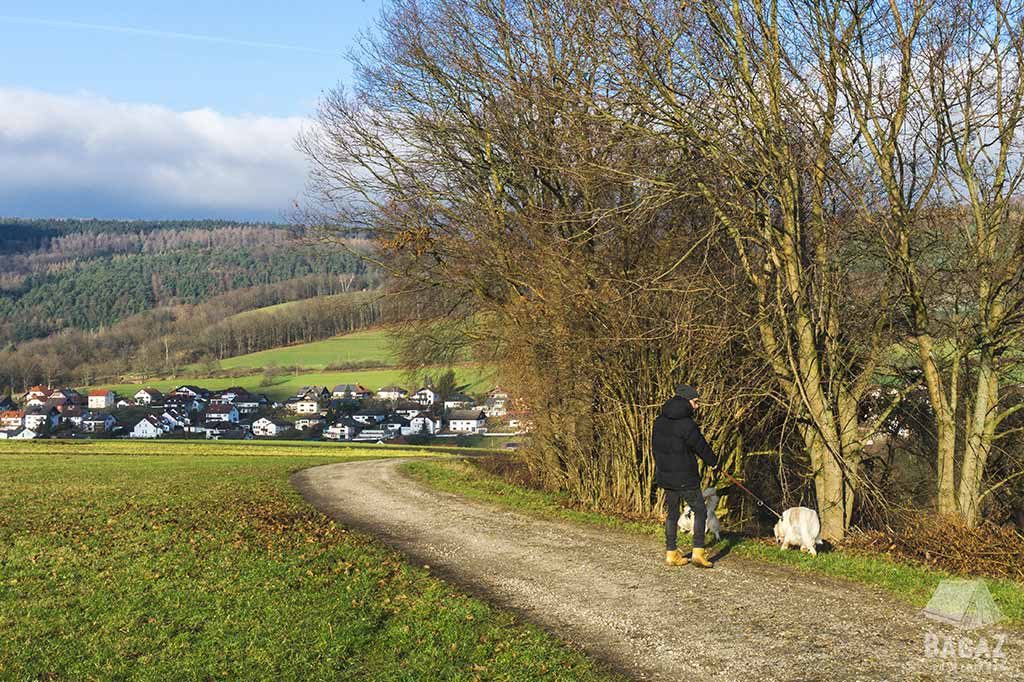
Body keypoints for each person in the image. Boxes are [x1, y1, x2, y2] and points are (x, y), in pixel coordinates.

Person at [653, 383, 718, 568]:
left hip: (666, 476)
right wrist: (714, 463)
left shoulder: (659, 421)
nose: (697, 406)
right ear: (686, 401)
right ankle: (698, 552)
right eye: (696, 402)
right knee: (700, 510)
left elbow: (655, 449)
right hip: (685, 477)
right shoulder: (686, 424)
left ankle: (671, 553)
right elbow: (701, 447)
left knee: (672, 513)